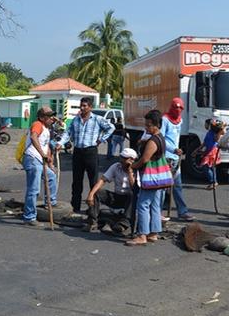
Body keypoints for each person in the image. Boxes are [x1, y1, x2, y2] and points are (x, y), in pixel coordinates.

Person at [57, 97, 114, 214]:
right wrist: (60, 143)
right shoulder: (75, 120)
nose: (82, 108)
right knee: (76, 181)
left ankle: (93, 208)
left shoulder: (97, 119)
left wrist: (101, 139)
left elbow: (111, 128)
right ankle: (75, 207)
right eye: (81, 106)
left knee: (93, 180)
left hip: (91, 152)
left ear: (90, 107)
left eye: (85, 106)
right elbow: (68, 133)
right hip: (78, 152)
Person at [126, 110, 170, 246]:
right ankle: (154, 233)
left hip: (151, 177)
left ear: (156, 125)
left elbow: (145, 159)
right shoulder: (161, 138)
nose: (146, 127)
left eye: (149, 125)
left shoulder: (153, 140)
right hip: (160, 177)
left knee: (143, 205)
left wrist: (133, 166)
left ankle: (142, 235)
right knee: (155, 205)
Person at [83, 148, 137, 234]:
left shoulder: (137, 170)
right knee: (97, 192)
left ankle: (124, 223)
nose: (122, 160)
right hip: (117, 196)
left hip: (129, 200)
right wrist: (91, 194)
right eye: (121, 157)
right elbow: (102, 180)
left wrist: (130, 171)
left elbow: (134, 188)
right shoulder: (116, 166)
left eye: (125, 158)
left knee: (132, 194)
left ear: (132, 160)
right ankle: (92, 220)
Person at [22, 107, 59, 226]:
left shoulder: (47, 129)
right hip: (33, 159)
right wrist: (42, 154)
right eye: (49, 117)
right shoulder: (37, 124)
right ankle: (29, 217)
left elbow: (46, 147)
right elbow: (33, 137)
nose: (52, 119)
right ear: (42, 118)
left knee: (51, 176)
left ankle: (50, 202)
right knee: (34, 189)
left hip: (40, 160)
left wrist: (50, 163)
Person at [160, 97, 195, 221]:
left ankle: (182, 212)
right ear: (171, 107)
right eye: (176, 107)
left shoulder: (180, 120)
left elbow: (176, 138)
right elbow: (161, 138)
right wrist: (172, 149)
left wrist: (178, 150)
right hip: (167, 157)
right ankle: (158, 212)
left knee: (177, 186)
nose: (178, 110)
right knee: (163, 187)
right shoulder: (165, 119)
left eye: (180, 108)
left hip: (176, 158)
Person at [192, 119, 225, 190]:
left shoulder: (215, 133)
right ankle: (213, 182)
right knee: (212, 168)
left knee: (205, 166)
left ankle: (213, 181)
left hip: (212, 151)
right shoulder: (209, 132)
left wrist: (221, 128)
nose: (205, 126)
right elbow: (204, 143)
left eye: (206, 124)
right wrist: (197, 150)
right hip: (209, 151)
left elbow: (217, 138)